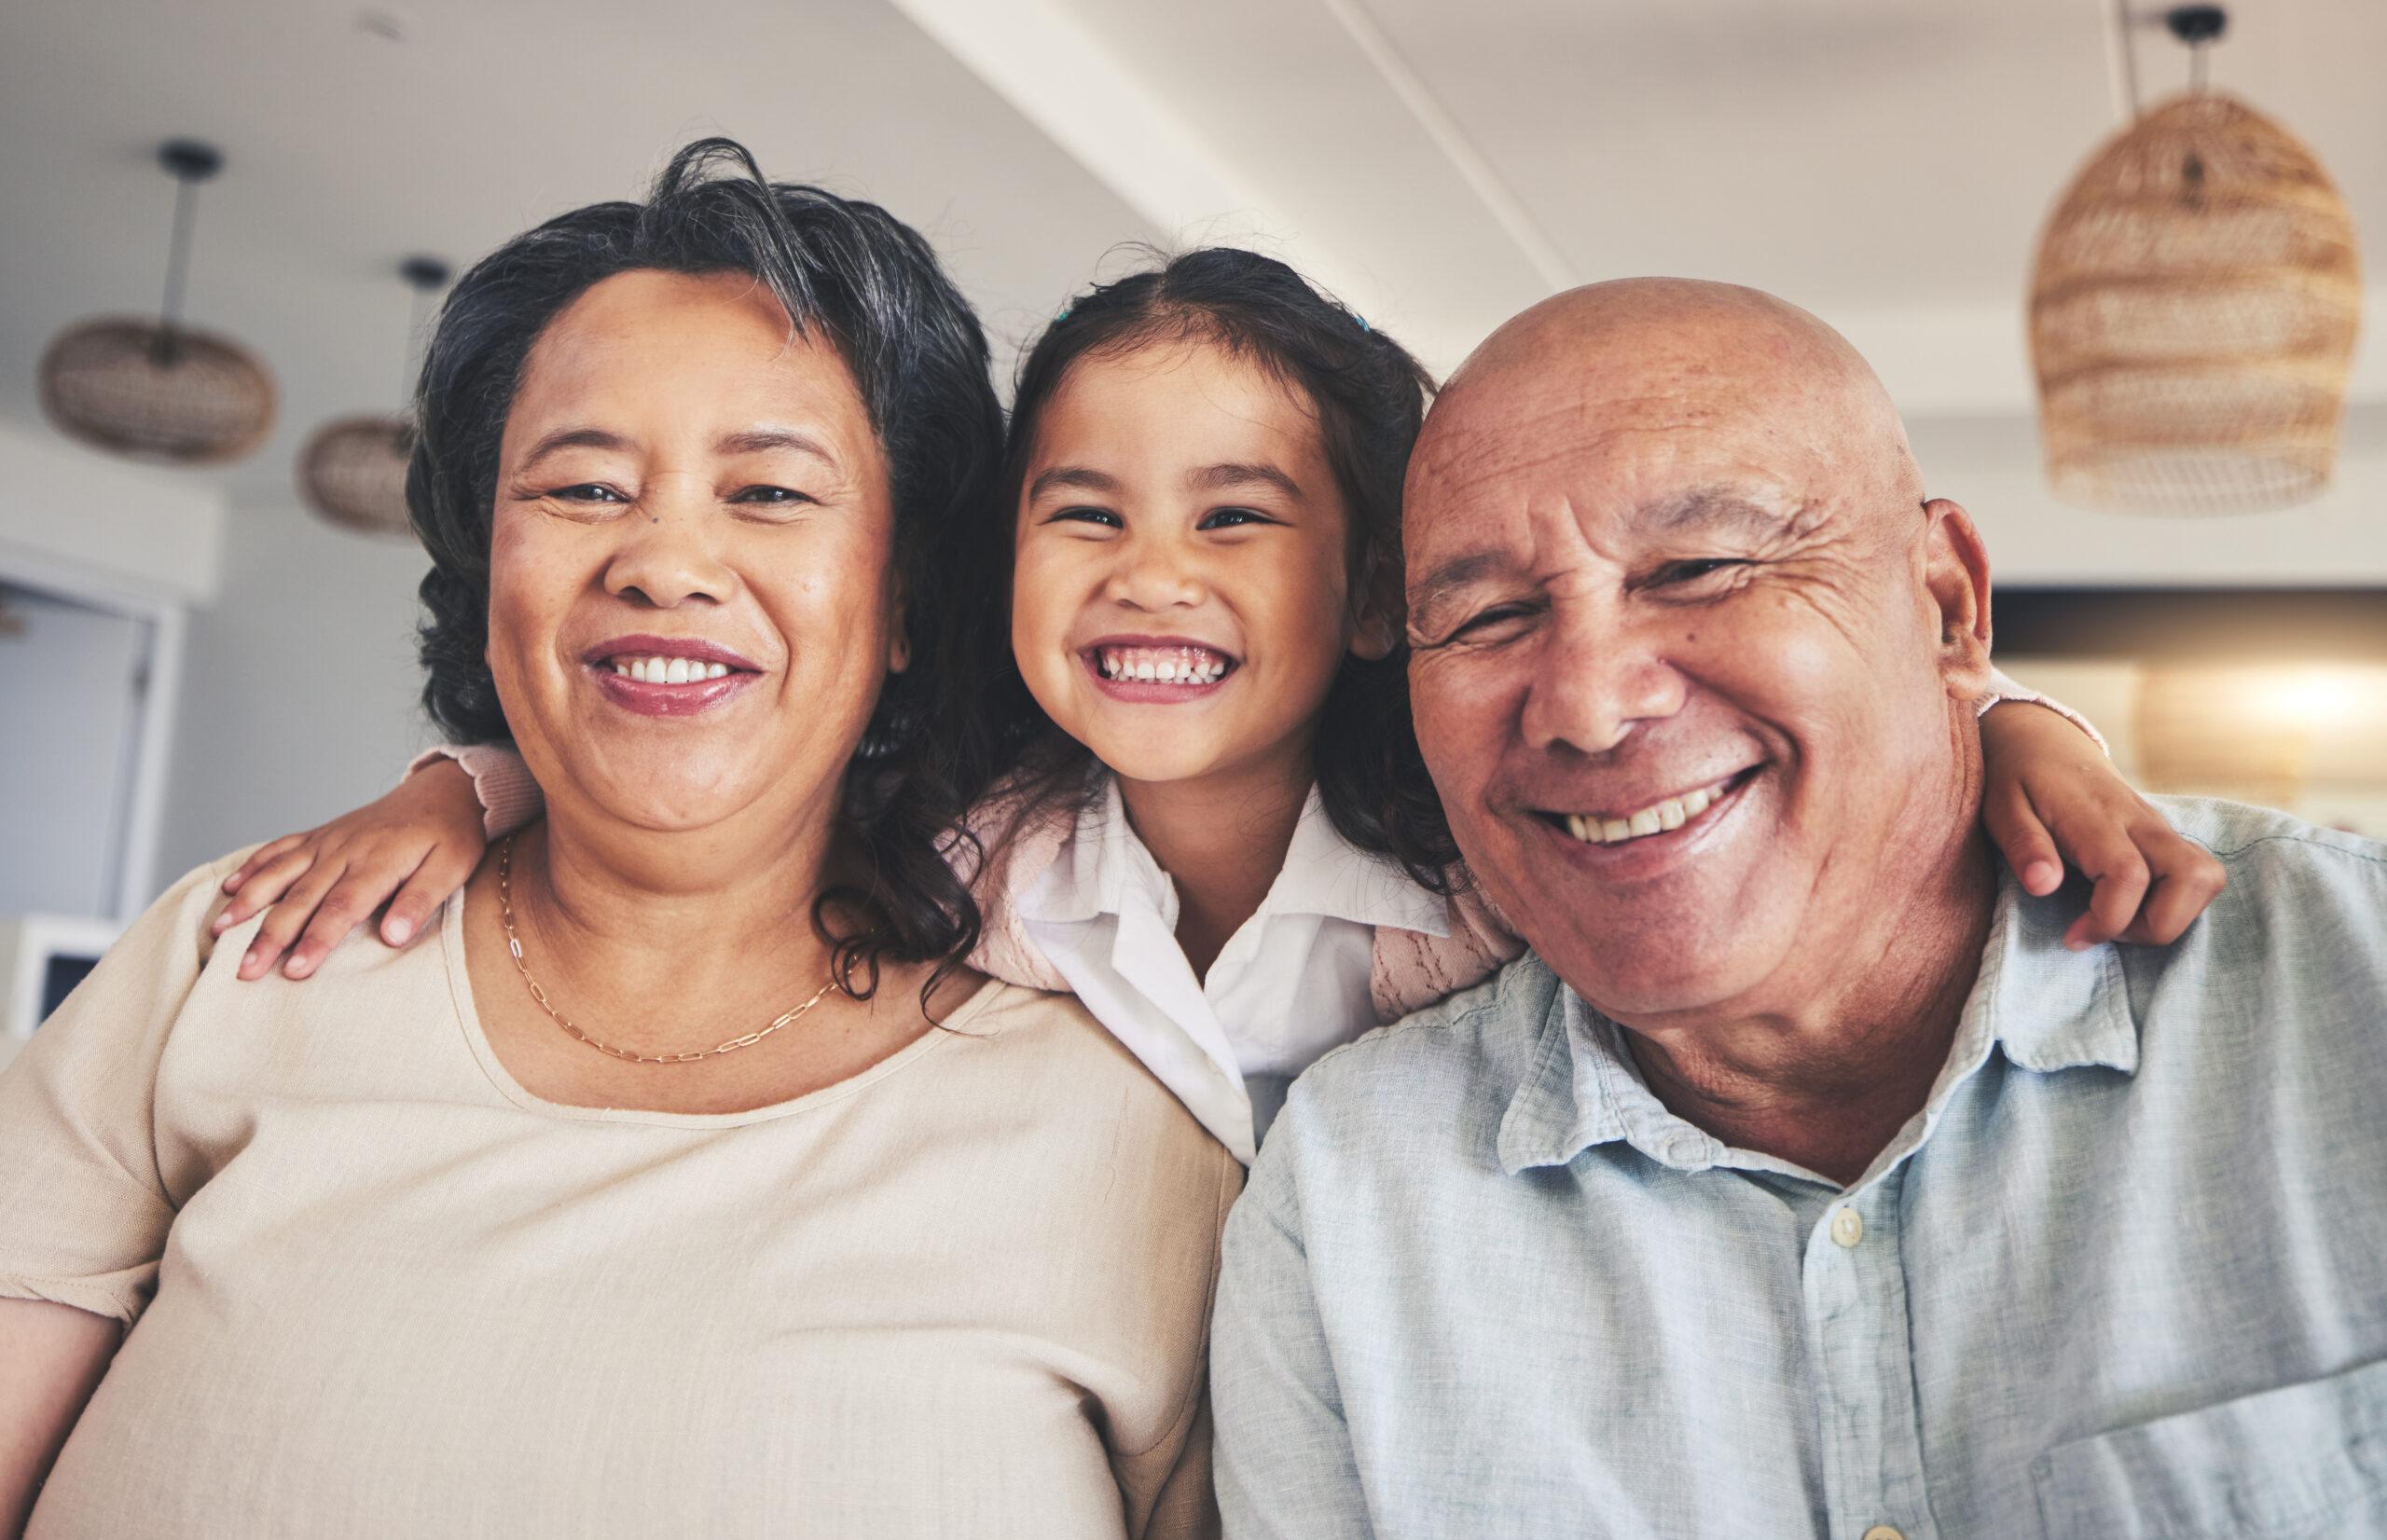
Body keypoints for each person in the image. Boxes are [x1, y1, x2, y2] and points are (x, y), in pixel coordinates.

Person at [208, 253, 2214, 1166]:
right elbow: (721, 765)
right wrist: (455, 788)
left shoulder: (1497, 873)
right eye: (1082, 514)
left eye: (1232, 520)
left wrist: (2025, 736)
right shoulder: (979, 845)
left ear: (1366, 599)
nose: (1148, 575)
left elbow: (1786, 757)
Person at [0, 141, 1236, 1540]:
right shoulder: (244, 951)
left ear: (905, 603)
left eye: (769, 492)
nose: (661, 557)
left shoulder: (1127, 1137)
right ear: (486, 573)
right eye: (582, 488)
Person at [1208, 279, 2386, 1537]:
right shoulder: (1347, 1205)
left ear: (1948, 605)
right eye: (1493, 614)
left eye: (1699, 567)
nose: (1590, 705)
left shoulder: (2350, 984)